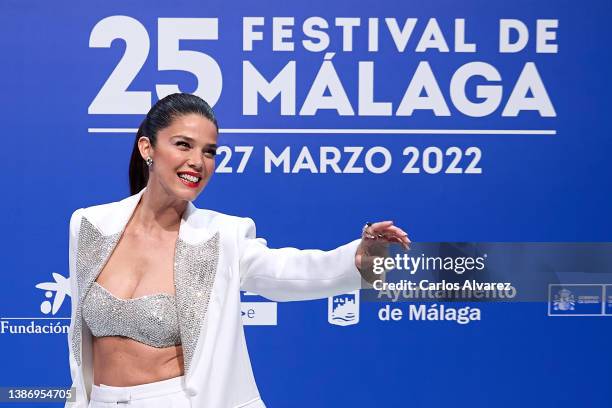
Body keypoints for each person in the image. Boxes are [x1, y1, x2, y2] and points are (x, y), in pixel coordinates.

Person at [65, 93, 410, 408]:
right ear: (147, 148)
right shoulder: (90, 225)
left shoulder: (222, 236)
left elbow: (286, 271)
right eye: (183, 145)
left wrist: (361, 258)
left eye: (209, 151)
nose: (198, 161)